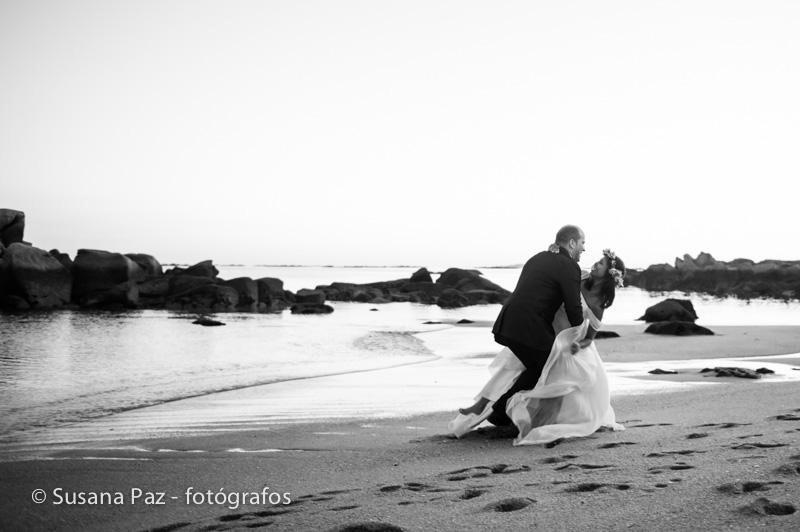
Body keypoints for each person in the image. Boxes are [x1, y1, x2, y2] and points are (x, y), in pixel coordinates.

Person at [449, 248, 626, 444]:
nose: (596, 264)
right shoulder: (580, 276)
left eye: (601, 264)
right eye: (598, 261)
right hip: (545, 328)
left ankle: (539, 420)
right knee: (511, 364)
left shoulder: (598, 305)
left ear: (610, 275)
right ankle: (480, 405)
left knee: (558, 383)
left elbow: (589, 338)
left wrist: (578, 345)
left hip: (566, 343)